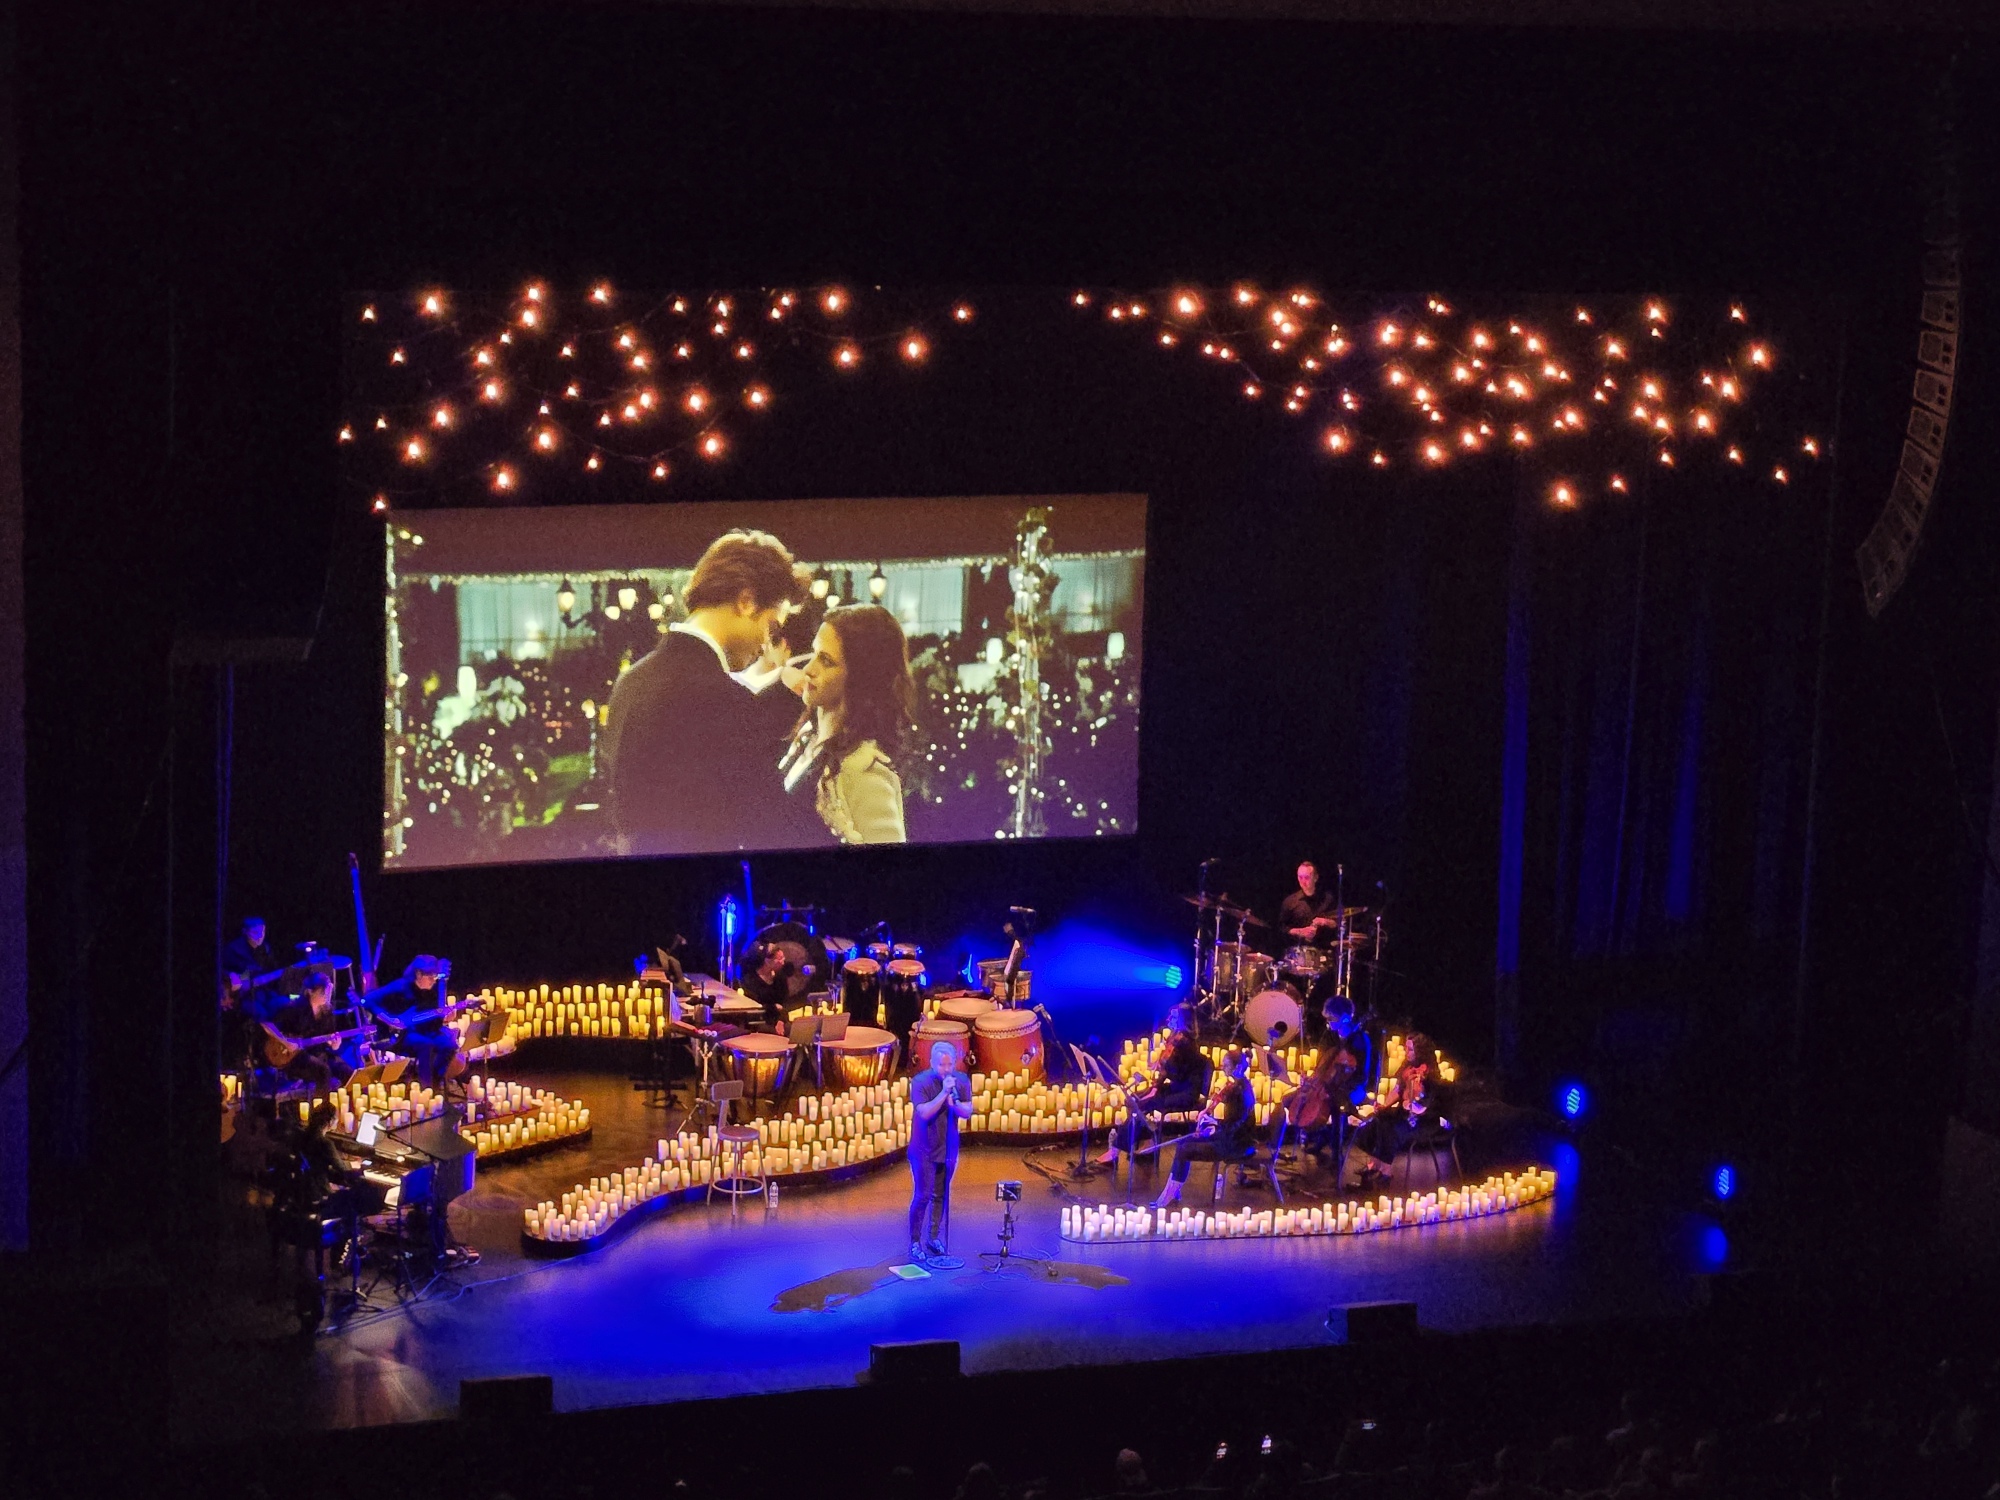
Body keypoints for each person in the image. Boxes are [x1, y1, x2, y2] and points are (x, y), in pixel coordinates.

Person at [601, 529, 819, 855]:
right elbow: (770, 828)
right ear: (746, 602)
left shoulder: (631, 681)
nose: (766, 644)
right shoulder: (724, 699)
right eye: (772, 625)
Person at [782, 604, 915, 845]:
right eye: (814, 653)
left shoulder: (863, 768)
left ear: (860, 677)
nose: (809, 669)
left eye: (826, 661)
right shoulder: (808, 735)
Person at [1097, 1003, 1209, 1165]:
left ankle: (1116, 1151)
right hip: (1178, 1087)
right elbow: (1170, 1072)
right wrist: (1155, 1086)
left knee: (1143, 1104)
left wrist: (1162, 1071)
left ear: (1182, 1020)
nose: (1169, 1019)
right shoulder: (1177, 1039)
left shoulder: (1185, 1043)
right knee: (1136, 1100)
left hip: (1186, 1093)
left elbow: (1178, 1074)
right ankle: (1149, 1145)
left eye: (1173, 1016)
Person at [1153, 1047, 1254, 1207]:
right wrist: (1212, 1123)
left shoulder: (1241, 1093)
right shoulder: (1240, 1086)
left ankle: (1170, 1193)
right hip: (1230, 1137)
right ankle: (1174, 1190)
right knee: (1183, 1142)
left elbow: (1235, 1125)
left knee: (1184, 1149)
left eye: (1226, 1065)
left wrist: (1213, 1128)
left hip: (1233, 1145)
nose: (1223, 1068)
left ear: (1238, 1067)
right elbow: (1232, 1122)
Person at [907, 1038, 973, 1261]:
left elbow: (967, 1111)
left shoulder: (961, 1081)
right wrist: (944, 1094)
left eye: (949, 1064)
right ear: (932, 1063)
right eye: (942, 1065)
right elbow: (924, 1112)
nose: (946, 1069)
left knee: (941, 1195)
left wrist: (955, 1103)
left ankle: (933, 1237)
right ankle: (915, 1241)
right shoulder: (920, 1082)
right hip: (923, 1149)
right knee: (923, 1195)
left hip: (948, 1148)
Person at [1343, 1031, 1436, 1190]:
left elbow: (1424, 1105)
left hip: (1420, 1119)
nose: (1406, 1052)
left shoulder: (1429, 1073)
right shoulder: (1407, 1067)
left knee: (1390, 1130)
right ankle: (1374, 1165)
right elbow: (1398, 1090)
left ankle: (1385, 1171)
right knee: (1377, 1120)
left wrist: (1412, 1102)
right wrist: (1384, 1105)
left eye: (1410, 1049)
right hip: (1404, 1113)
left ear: (1420, 1051)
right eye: (1406, 1048)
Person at [363, 955, 461, 1086]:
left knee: (450, 1045)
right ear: (419, 974)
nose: (433, 981)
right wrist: (390, 1020)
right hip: (405, 1035)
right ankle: (427, 1088)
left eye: (435, 977)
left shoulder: (433, 988)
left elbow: (436, 1016)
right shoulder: (401, 986)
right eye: (430, 977)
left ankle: (435, 1081)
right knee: (426, 1045)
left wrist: (445, 1017)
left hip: (428, 1030)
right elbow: (367, 1000)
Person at [260, 970, 366, 1088]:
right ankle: (321, 1101)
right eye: (323, 992)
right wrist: (286, 1042)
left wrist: (335, 1045)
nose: (327, 995)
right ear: (310, 992)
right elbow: (266, 1023)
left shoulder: (327, 1012)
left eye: (328, 991)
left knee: (348, 1072)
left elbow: (330, 1040)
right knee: (323, 1071)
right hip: (294, 1058)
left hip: (319, 1054)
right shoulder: (294, 1008)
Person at [738, 940, 797, 1030]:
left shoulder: (780, 977)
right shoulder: (751, 980)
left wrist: (781, 1020)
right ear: (767, 961)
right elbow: (754, 1005)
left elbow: (785, 1002)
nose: (783, 962)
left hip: (779, 1018)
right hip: (760, 1020)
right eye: (779, 959)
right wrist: (774, 1007)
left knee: (792, 1029)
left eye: (783, 958)